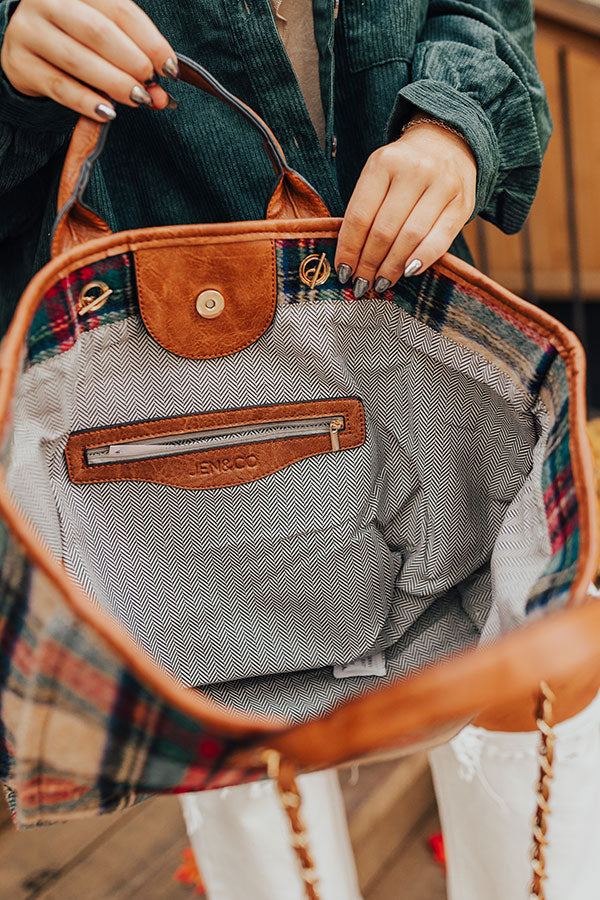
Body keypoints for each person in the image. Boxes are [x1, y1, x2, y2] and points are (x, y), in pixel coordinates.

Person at [3, 2, 588, 899]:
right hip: (151, 324)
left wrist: (452, 128)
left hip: (404, 284)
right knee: (243, 787)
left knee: (506, 697)